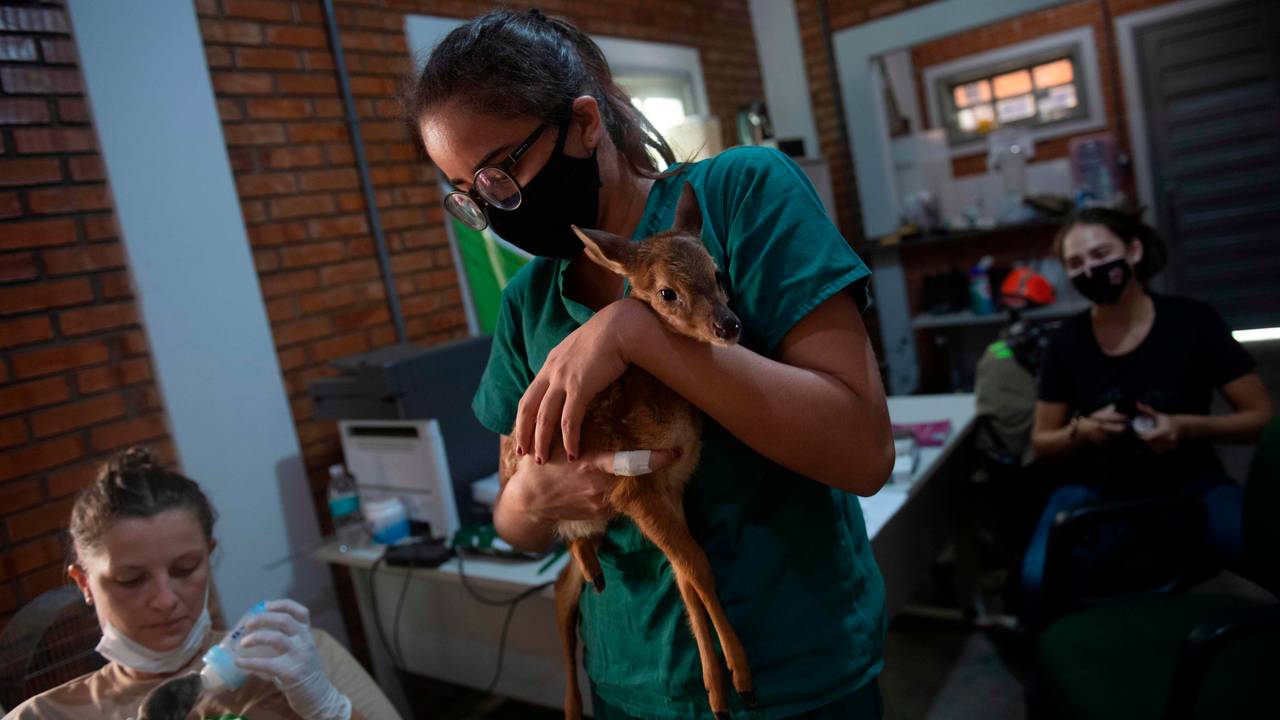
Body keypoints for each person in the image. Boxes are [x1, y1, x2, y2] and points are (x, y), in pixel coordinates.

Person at [405, 9, 894, 720]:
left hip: (797, 676)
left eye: (500, 173)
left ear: (584, 124)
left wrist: (639, 327)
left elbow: (863, 451)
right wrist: (535, 498)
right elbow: (517, 522)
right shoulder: (528, 303)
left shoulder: (741, 196)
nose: (495, 207)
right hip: (630, 683)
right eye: (469, 195)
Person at [4, 447, 400, 720]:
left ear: (208, 556)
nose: (165, 600)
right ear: (84, 583)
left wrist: (328, 708)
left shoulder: (300, 665)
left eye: (185, 569)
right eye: (131, 580)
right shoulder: (44, 715)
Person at [1022, 207, 1273, 621]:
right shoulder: (1066, 343)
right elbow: (1042, 441)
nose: (1091, 269)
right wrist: (1084, 430)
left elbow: (1261, 418)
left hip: (1193, 483)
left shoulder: (1193, 321)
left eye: (1102, 254)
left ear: (1134, 250)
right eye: (1076, 264)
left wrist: (1185, 426)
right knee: (1037, 581)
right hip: (1098, 488)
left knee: (1266, 551)